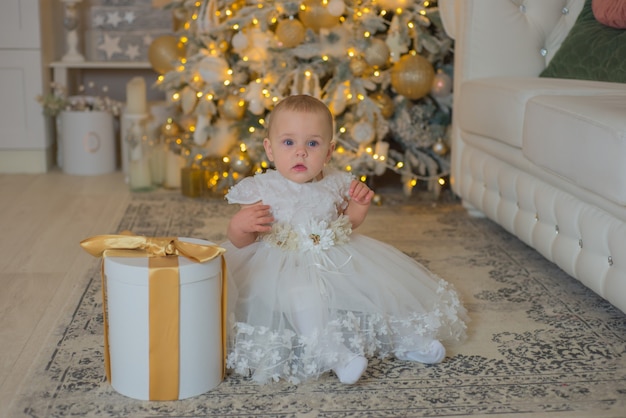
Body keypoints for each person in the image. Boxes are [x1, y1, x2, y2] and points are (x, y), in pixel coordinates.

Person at [222, 95, 467, 385]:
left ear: (328, 152)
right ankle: (336, 355)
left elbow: (345, 226)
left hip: (332, 256)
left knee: (373, 285)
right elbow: (241, 242)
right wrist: (239, 225)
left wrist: (358, 207)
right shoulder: (263, 187)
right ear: (270, 149)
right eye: (288, 143)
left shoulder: (335, 183)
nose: (300, 152)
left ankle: (407, 339)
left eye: (312, 144)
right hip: (280, 266)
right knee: (301, 295)